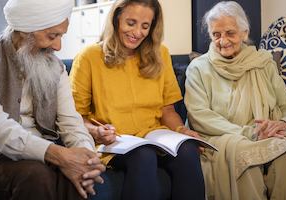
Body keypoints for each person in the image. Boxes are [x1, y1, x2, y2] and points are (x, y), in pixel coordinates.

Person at [0, 0, 105, 199]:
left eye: (61, 36)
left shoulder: (56, 68)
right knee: (36, 175)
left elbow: (70, 121)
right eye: (52, 36)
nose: (58, 46)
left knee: (78, 176)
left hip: (46, 151)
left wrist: (86, 157)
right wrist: (59, 155)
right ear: (25, 30)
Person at [184, 1, 286, 200]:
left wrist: (283, 124)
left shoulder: (264, 63)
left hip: (264, 135)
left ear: (244, 33)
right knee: (247, 155)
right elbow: (200, 117)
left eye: (230, 33)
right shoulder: (198, 68)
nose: (222, 40)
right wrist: (250, 133)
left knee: (284, 152)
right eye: (216, 34)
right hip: (222, 137)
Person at [69, 0, 205, 199]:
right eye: (131, 23)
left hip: (155, 136)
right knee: (144, 155)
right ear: (116, 19)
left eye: (145, 26)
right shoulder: (89, 57)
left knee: (188, 150)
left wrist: (183, 131)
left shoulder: (161, 54)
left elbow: (168, 111)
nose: (137, 32)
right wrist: (96, 131)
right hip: (114, 141)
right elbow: (74, 117)